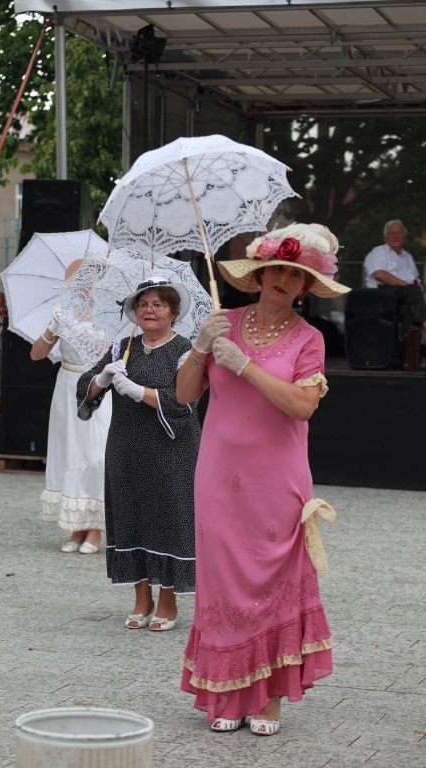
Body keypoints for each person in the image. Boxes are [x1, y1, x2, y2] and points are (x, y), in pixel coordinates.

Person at [178, 223, 350, 735]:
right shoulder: (222, 322)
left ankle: (269, 695)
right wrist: (201, 348)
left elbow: (302, 406)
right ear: (257, 274)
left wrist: (245, 365)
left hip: (277, 481)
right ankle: (227, 692)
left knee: (270, 580)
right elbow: (185, 394)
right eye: (275, 269)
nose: (282, 279)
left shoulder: (310, 339)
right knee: (223, 583)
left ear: (305, 286)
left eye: (294, 275)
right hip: (217, 475)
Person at [76, 277, 200, 631]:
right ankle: (141, 598)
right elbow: (86, 386)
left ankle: (168, 601)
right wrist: (102, 379)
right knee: (129, 517)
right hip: (126, 449)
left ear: (173, 312)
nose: (149, 310)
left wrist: (138, 391)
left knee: (168, 520)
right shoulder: (121, 347)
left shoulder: (186, 351)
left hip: (171, 451)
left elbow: (185, 401)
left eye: (158, 304)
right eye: (143, 304)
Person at [31, 260, 112, 555]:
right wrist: (53, 329)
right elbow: (36, 354)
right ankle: (77, 526)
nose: (79, 287)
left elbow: (107, 353)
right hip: (66, 385)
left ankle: (96, 528)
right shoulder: (62, 313)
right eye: (73, 281)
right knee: (69, 452)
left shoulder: (110, 314)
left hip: (95, 385)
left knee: (95, 454)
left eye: (83, 281)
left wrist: (80, 331)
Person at [363, 219, 426, 335]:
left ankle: (408, 342)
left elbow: (415, 281)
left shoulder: (408, 257)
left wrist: (420, 287)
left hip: (403, 297)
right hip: (381, 293)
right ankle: (423, 322)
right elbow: (379, 275)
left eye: (399, 233)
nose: (396, 236)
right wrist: (408, 286)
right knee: (413, 291)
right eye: (392, 233)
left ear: (405, 237)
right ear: (385, 237)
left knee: (408, 310)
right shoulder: (378, 251)